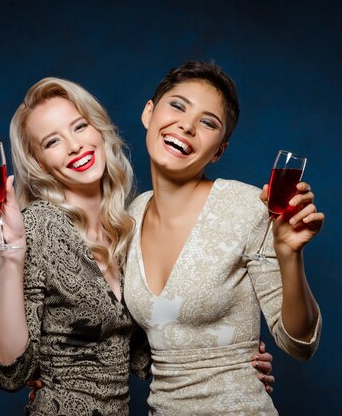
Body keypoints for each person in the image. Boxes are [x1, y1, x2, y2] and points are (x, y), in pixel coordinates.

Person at [0, 77, 275, 415]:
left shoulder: (126, 226)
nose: (74, 146)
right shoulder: (39, 226)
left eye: (79, 126)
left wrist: (229, 360)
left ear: (98, 130)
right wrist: (11, 252)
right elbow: (9, 373)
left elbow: (142, 349)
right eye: (53, 141)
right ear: (39, 161)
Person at [123, 61, 324, 415]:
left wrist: (290, 254)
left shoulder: (247, 207)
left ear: (219, 150)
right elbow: (129, 336)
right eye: (178, 106)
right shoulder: (129, 217)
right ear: (148, 113)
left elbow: (299, 343)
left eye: (208, 122)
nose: (186, 125)